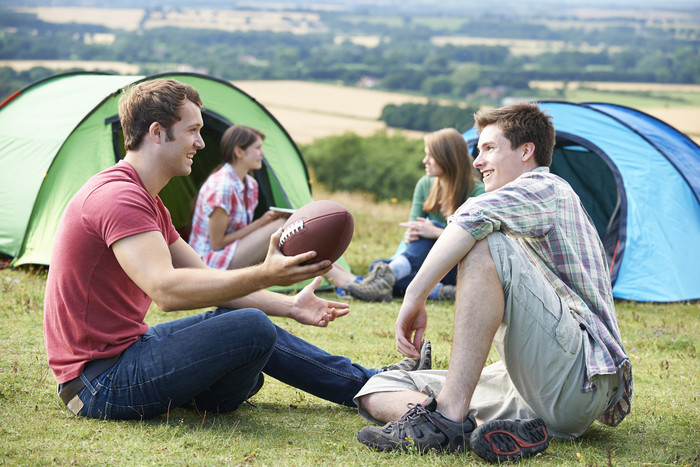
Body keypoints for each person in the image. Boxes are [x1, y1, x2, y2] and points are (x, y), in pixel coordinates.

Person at [43, 79, 431, 421]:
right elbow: (166, 290)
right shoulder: (118, 197)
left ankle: (373, 383)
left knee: (239, 322)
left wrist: (290, 306)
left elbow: (208, 278)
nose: (200, 142)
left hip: (129, 352)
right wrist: (267, 273)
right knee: (250, 328)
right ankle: (367, 389)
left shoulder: (146, 198)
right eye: (193, 130)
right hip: (98, 384)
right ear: (157, 133)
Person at [353, 103, 633, 463]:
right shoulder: (518, 208)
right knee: (377, 389)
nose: (476, 161)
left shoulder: (547, 186)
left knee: (485, 240)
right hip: (532, 389)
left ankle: (449, 416)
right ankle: (483, 428)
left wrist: (414, 295)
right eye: (478, 150)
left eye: (489, 149)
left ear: (526, 150)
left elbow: (471, 217)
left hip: (581, 377)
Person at [188, 124, 359, 289]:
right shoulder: (222, 186)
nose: (262, 153)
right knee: (280, 229)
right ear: (239, 152)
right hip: (210, 263)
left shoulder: (250, 185)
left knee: (291, 228)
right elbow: (217, 243)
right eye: (257, 148)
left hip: (231, 254)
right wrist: (262, 222)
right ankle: (345, 282)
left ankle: (347, 279)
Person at [346, 128, 484, 302]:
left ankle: (389, 276)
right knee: (379, 265)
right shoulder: (425, 184)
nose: (424, 161)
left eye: (430, 156)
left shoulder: (478, 192)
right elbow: (411, 231)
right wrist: (413, 233)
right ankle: (442, 292)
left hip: (456, 266)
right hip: (428, 263)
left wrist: (435, 233)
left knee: (432, 229)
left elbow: (479, 242)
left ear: (448, 158)